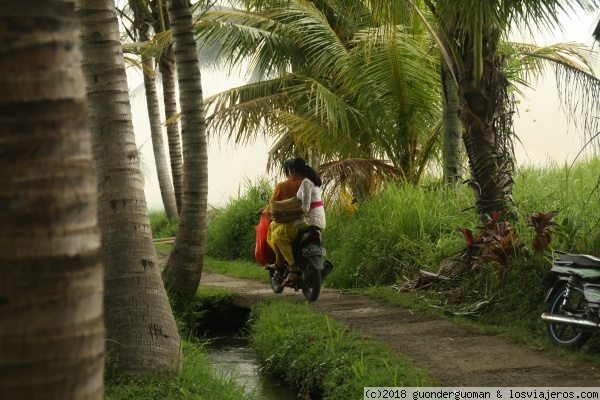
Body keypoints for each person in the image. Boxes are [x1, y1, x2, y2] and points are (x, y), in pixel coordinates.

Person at [269, 157, 326, 286]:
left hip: (308, 221)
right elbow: (298, 201)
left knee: (278, 235)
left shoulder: (306, 183)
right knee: (274, 225)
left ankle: (293, 268)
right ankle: (279, 262)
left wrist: (282, 213)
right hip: (317, 221)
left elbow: (305, 209)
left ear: (293, 171)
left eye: (289, 171)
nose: (288, 175)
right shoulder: (310, 181)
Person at [263, 159, 302, 270]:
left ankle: (285, 264)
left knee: (275, 233)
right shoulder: (306, 184)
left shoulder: (282, 186)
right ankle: (280, 261)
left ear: (287, 172)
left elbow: (272, 207)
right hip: (308, 221)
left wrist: (265, 211)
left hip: (291, 222)